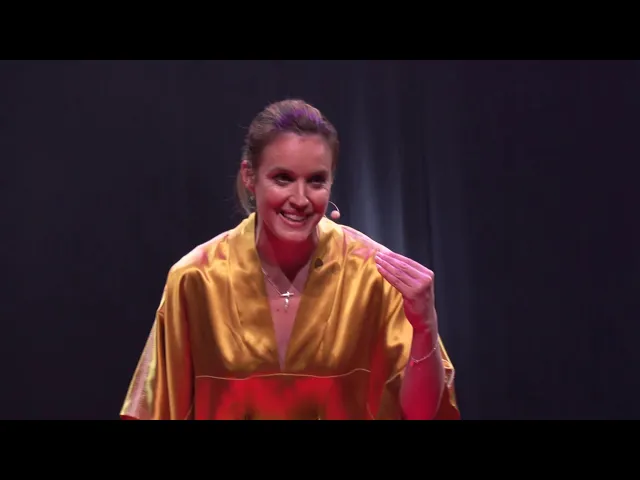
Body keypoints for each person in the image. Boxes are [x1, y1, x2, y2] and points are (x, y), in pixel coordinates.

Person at [120, 99, 460, 420]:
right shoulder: (196, 277)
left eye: (316, 181)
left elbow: (420, 413)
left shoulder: (374, 273)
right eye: (283, 178)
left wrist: (424, 328)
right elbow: (157, 408)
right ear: (249, 176)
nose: (300, 198)